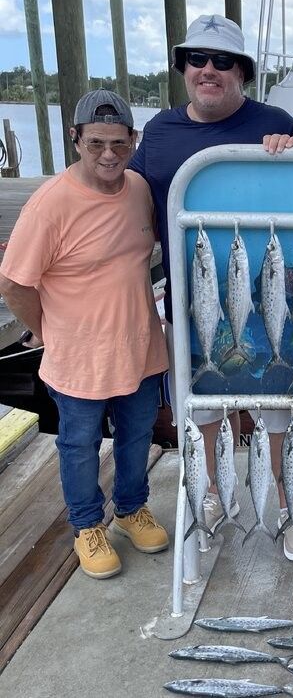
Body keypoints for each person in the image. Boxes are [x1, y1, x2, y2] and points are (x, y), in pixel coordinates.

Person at [128, 14, 293, 562]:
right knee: (201, 407)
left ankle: (287, 505)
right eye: (197, 59)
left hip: (270, 295)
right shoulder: (159, 131)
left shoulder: (275, 121)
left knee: (278, 406)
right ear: (183, 68)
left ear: (244, 73)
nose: (208, 70)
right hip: (188, 294)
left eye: (223, 61)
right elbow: (128, 197)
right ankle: (211, 494)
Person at [0, 90, 170, 579]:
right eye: (96, 143)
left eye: (119, 142)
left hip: (141, 348)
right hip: (77, 357)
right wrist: (44, 331)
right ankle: (86, 525)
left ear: (134, 140)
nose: (109, 154)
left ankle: (131, 507)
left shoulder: (138, 188)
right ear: (75, 139)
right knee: (78, 445)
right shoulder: (49, 204)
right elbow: (13, 282)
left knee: (137, 435)